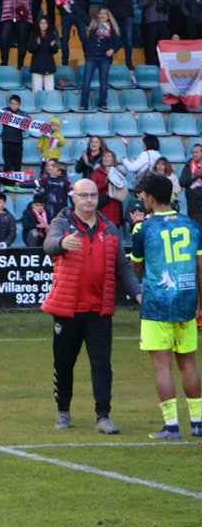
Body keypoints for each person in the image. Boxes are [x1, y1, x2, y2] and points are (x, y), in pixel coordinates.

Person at [40, 178, 139, 432]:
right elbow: (48, 245)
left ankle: (103, 416)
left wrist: (138, 294)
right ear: (73, 197)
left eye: (93, 195)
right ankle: (63, 411)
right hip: (68, 309)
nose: (89, 200)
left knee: (102, 364)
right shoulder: (63, 223)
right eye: (84, 195)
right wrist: (62, 243)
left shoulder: (110, 228)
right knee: (63, 363)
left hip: (99, 310)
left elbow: (123, 268)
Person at [129, 173, 202, 439]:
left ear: (149, 197)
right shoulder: (192, 226)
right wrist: (200, 305)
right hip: (186, 303)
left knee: (162, 367)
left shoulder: (144, 229)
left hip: (157, 305)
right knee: (189, 365)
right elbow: (200, 269)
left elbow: (136, 266)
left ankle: (171, 426)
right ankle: (198, 422)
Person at [139, 0, 171, 66]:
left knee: (164, 44)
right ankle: (151, 64)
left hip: (163, 21)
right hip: (151, 22)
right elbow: (141, 5)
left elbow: (169, 2)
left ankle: (164, 64)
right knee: (151, 45)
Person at [27, 16, 58, 94]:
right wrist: (37, 44)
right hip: (37, 65)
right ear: (38, 24)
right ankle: (36, 106)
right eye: (41, 23)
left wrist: (52, 45)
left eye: (45, 23)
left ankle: (48, 106)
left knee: (50, 89)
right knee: (37, 90)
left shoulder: (52, 35)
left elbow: (55, 51)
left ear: (48, 25)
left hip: (48, 65)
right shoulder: (34, 35)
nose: (43, 25)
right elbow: (30, 50)